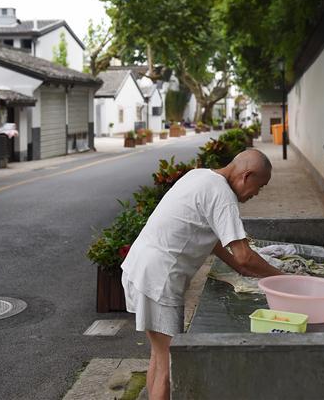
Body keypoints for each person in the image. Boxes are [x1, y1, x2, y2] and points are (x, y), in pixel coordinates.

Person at [121, 149, 283, 400]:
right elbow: (244, 255)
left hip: (141, 268)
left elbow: (214, 239)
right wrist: (283, 278)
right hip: (159, 280)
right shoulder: (223, 195)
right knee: (170, 366)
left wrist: (240, 268)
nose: (256, 194)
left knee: (159, 357)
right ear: (246, 176)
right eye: (259, 187)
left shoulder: (200, 176)